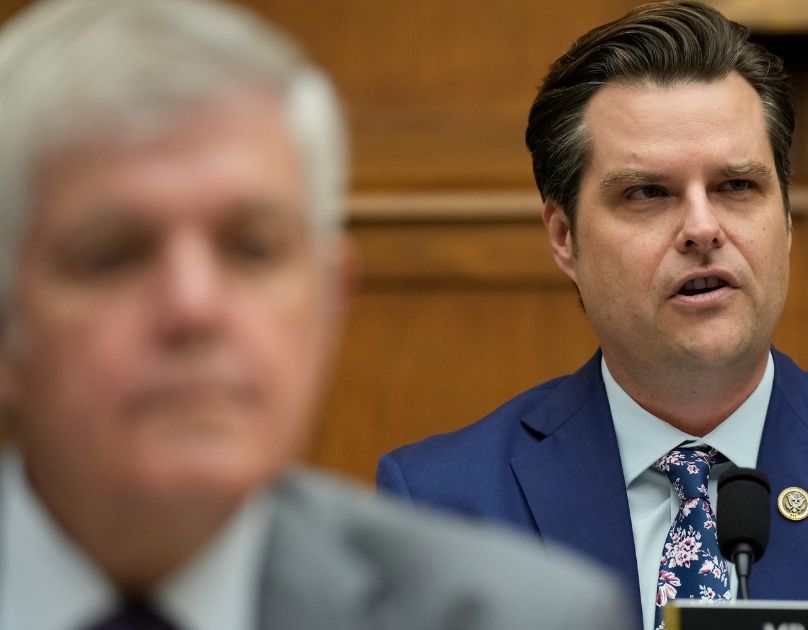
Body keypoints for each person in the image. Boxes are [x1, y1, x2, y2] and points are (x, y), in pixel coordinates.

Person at [377, 3, 808, 630]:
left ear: (785, 220)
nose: (701, 227)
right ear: (565, 237)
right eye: (648, 192)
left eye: (737, 186)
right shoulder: (441, 503)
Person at [0, 1, 630, 629]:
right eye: (111, 257)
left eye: (252, 249)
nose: (194, 307)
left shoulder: (513, 618)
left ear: (328, 302)